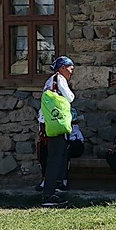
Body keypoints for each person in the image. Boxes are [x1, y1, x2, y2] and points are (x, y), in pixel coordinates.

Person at [38, 56, 76, 208]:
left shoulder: (49, 82)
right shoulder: (59, 79)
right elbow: (70, 97)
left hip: (46, 123)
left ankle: (50, 189)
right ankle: (48, 194)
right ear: (62, 68)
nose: (71, 72)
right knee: (55, 159)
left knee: (53, 157)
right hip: (56, 123)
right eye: (70, 69)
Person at [37, 109, 84, 193]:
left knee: (65, 149)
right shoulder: (45, 108)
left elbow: (73, 123)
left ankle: (63, 181)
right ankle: (46, 180)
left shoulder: (67, 107)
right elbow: (42, 124)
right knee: (43, 150)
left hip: (73, 140)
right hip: (52, 137)